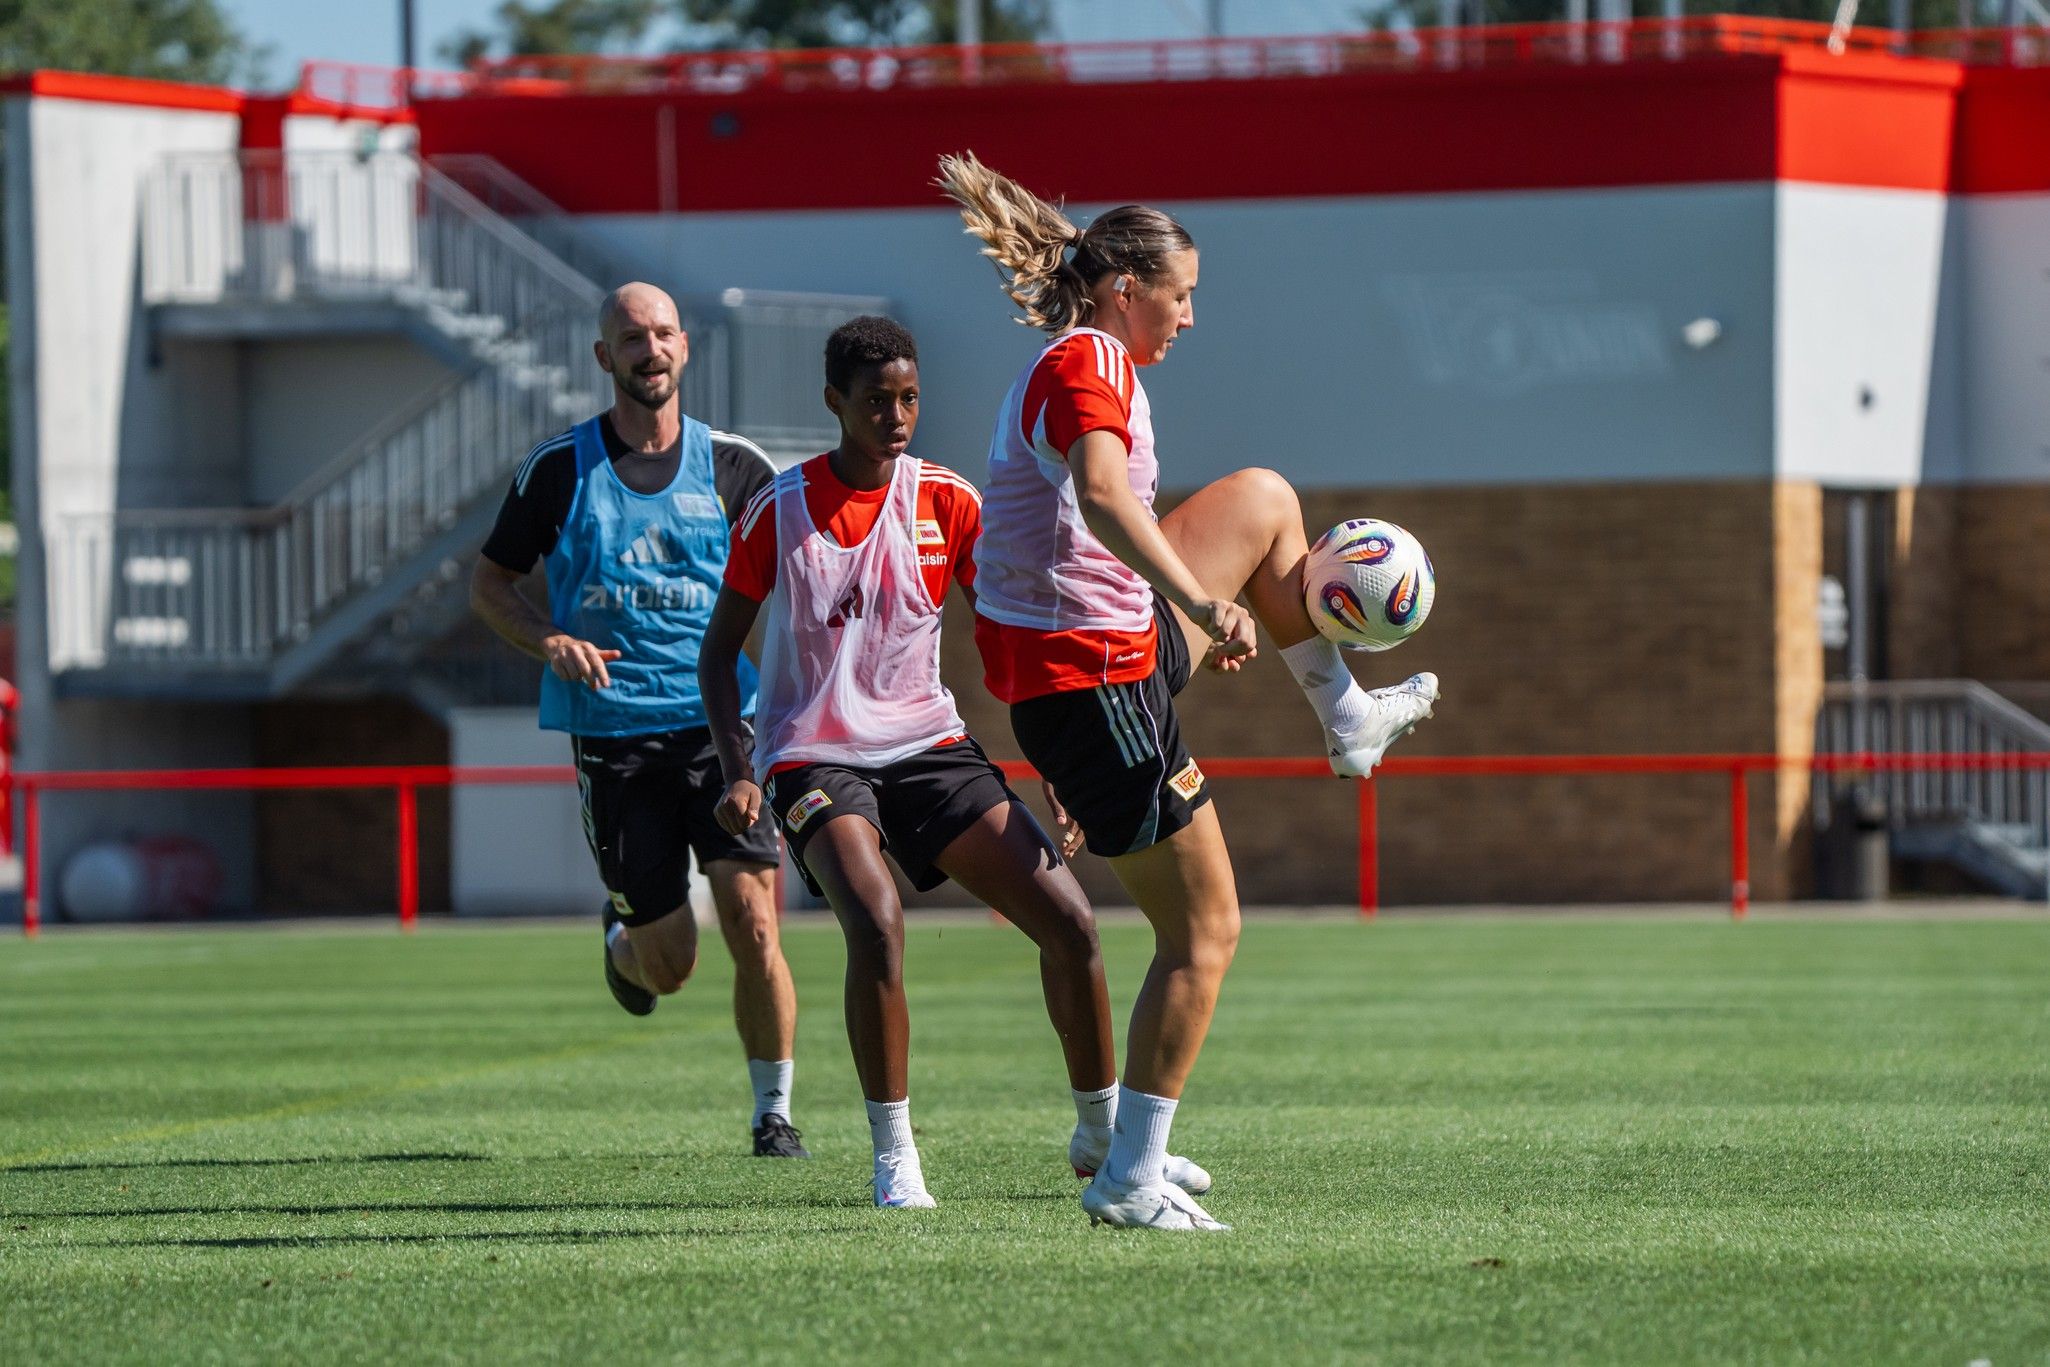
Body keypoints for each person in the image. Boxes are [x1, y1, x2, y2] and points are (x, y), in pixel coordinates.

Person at [938, 151, 1440, 1231]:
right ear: (1129, 291)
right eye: (1183, 295)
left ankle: (1347, 718)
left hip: (1098, 665)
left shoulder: (1095, 361)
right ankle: (1127, 1175)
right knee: (1205, 932)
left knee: (1263, 497)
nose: (1190, 317)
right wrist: (1203, 606)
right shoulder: (1087, 366)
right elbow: (1106, 496)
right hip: (1095, 683)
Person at [701, 315, 1204, 1212]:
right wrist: (741, 766)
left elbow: (1012, 632)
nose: (897, 416)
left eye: (910, 398)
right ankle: (897, 1158)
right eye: (875, 401)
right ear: (834, 404)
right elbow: (718, 652)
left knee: (1073, 924)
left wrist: (1052, 759)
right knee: (878, 920)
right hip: (812, 757)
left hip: (930, 745)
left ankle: (1101, 1136)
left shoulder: (948, 500)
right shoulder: (776, 509)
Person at [470, 282, 808, 1160]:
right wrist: (549, 639)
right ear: (603, 357)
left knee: (756, 919)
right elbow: (490, 583)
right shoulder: (556, 469)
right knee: (672, 963)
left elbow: (802, 587)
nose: (648, 350)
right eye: (630, 337)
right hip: (613, 736)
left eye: (662, 334)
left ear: (684, 348)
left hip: (721, 731)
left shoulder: (737, 468)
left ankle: (774, 1112)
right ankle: (623, 942)